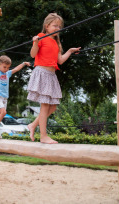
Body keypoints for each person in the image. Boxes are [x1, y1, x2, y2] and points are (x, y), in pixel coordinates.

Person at [27, 13, 81, 144]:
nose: (57, 28)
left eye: (59, 26)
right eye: (55, 25)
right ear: (47, 26)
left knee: (54, 106)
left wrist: (69, 51)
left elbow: (60, 61)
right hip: (42, 73)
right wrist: (35, 42)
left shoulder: (56, 43)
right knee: (45, 105)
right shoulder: (41, 37)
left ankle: (33, 125)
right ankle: (43, 136)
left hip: (51, 76)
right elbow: (33, 54)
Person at [0, 55, 31, 139]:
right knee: (3, 112)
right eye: (4, 67)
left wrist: (23, 63)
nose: (6, 69)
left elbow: (16, 69)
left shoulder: (7, 73)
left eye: (8, 67)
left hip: (5, 98)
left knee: (0, 114)